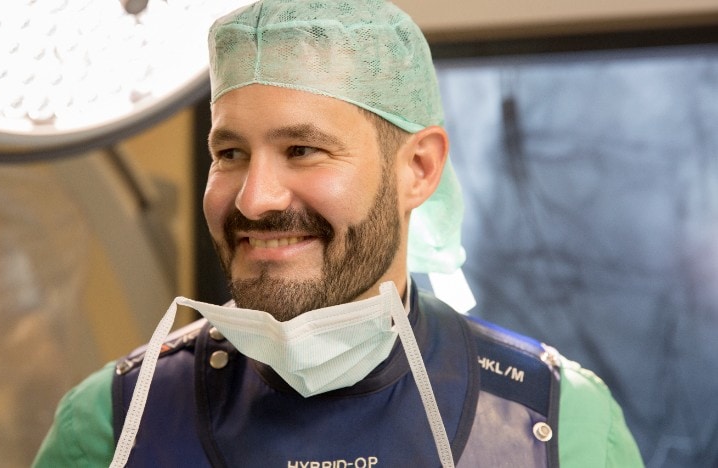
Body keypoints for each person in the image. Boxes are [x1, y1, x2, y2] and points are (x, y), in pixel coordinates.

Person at [33, 0, 644, 466]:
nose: (254, 197)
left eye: (302, 149)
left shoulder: (556, 424)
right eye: (230, 152)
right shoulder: (112, 423)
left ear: (419, 169)